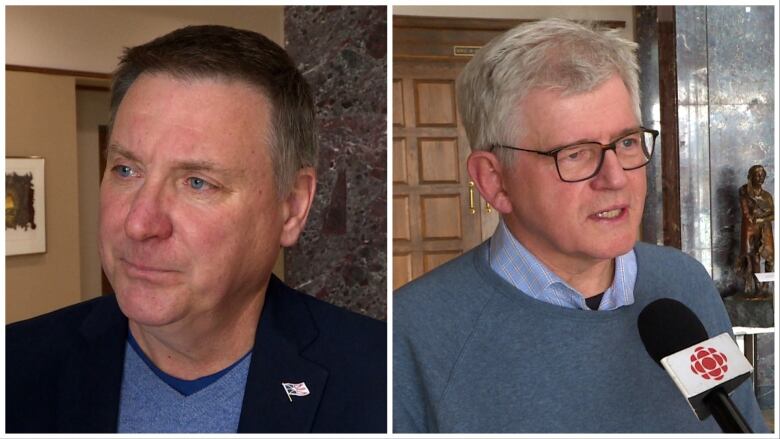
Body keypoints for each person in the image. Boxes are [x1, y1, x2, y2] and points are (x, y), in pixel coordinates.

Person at [393, 18, 767, 433]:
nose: (616, 178)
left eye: (625, 143)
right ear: (494, 181)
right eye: (575, 154)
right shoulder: (411, 332)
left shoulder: (683, 282)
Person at [6, 25, 385, 433]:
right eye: (126, 170)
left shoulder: (380, 379)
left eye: (197, 182)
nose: (139, 223)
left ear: (292, 207)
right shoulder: (14, 367)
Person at [737, 164, 774, 295]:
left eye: (762, 175)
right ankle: (757, 286)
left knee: (770, 258)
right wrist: (761, 217)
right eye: (757, 175)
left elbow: (774, 214)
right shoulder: (744, 194)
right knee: (754, 258)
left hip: (765, 230)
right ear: (751, 177)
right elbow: (747, 214)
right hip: (751, 230)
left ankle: (766, 285)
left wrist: (760, 218)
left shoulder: (767, 196)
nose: (760, 177)